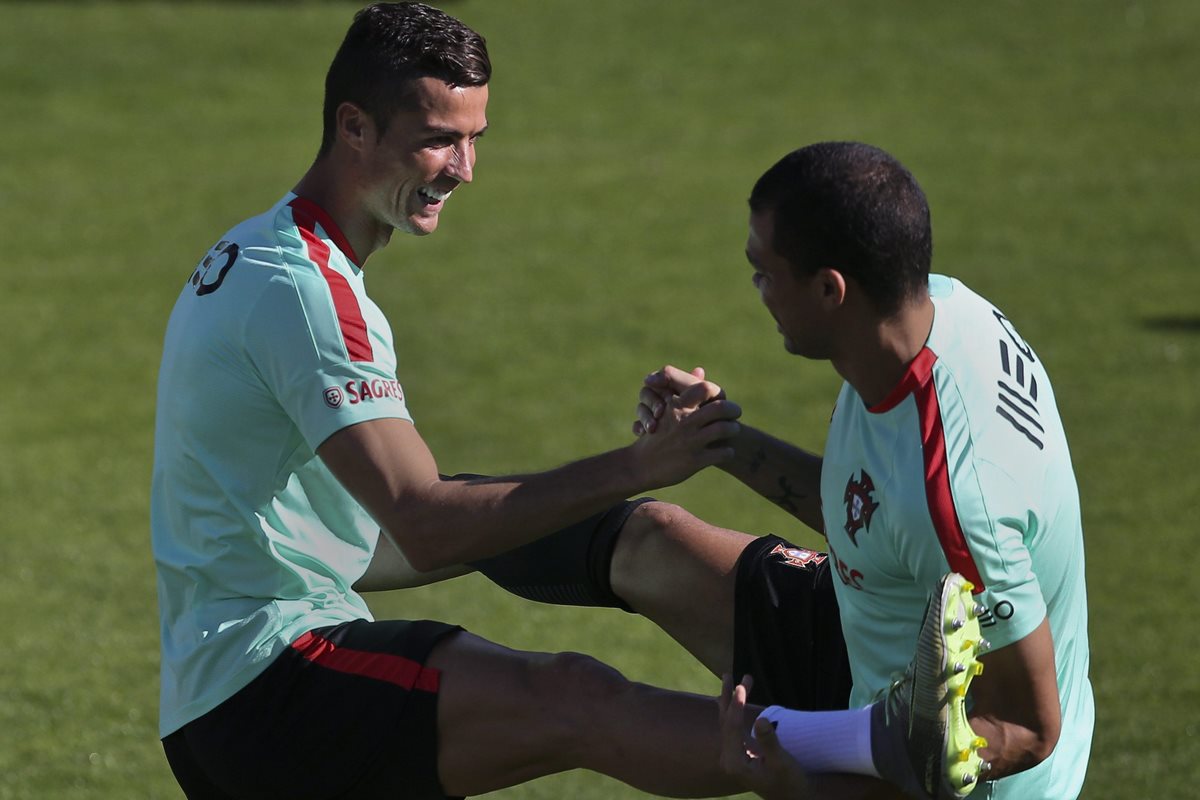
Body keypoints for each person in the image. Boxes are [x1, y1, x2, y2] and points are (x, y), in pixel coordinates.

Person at [151, 5, 963, 799]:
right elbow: (426, 525)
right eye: (438, 139)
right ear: (354, 126)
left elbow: (359, 533)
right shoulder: (307, 293)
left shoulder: (269, 251)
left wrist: (622, 522)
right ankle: (874, 751)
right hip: (264, 682)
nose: (464, 170)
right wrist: (637, 467)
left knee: (614, 585)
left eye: (475, 139)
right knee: (574, 701)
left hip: (229, 689)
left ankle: (848, 693)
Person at [634, 142, 1094, 799]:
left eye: (764, 271)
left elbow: (1022, 727)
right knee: (641, 537)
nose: (757, 289)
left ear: (829, 289)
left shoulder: (958, 494)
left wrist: (798, 768)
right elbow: (882, 516)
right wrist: (721, 441)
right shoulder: (938, 315)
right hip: (881, 700)